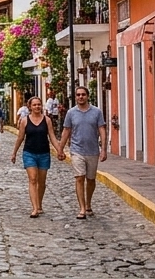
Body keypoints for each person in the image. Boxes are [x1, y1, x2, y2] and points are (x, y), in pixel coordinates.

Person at [58, 86, 107, 219]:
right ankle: (82, 208)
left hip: (92, 151)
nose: (80, 97)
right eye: (78, 95)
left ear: (87, 96)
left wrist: (104, 149)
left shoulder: (96, 112)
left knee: (91, 179)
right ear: (76, 97)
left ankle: (89, 203)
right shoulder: (71, 113)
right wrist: (60, 149)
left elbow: (101, 129)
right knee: (79, 177)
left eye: (83, 95)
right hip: (76, 150)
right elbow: (66, 131)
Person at [10, 96, 61, 218]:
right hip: (29, 153)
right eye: (34, 105)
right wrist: (14, 153)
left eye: (39, 104)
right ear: (30, 107)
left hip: (44, 153)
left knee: (42, 181)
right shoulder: (25, 121)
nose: (37, 107)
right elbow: (20, 138)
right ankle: (34, 208)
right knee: (33, 179)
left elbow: (52, 137)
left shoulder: (47, 120)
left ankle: (39, 204)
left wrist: (59, 150)